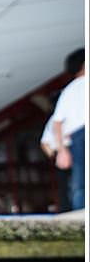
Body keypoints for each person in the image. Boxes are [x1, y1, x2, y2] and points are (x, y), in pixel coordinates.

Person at [51, 48, 85, 210]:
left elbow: (57, 122)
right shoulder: (74, 88)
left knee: (81, 183)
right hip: (80, 135)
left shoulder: (68, 90)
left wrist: (62, 149)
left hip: (78, 137)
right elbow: (57, 122)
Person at [40, 113, 72, 213]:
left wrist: (54, 156)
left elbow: (44, 144)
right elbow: (44, 143)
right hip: (67, 152)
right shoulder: (57, 118)